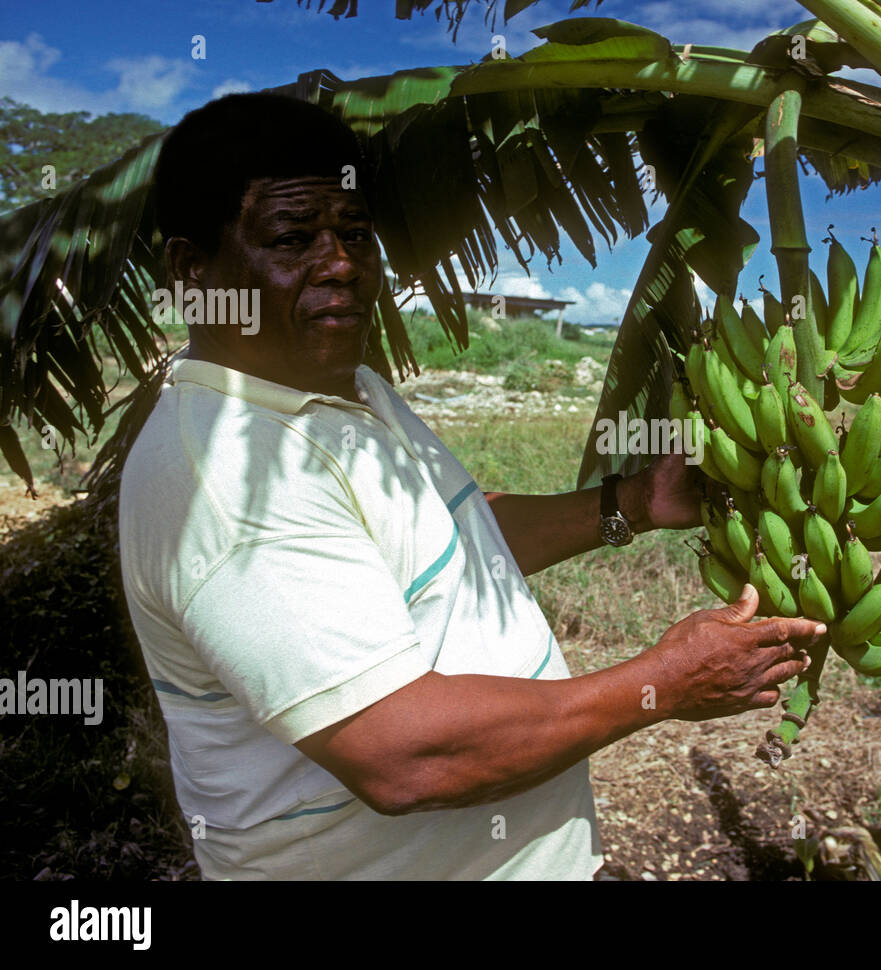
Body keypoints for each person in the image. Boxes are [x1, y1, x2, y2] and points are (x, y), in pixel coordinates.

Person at [117, 92, 826, 880]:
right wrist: (667, 681)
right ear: (192, 270)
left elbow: (449, 545)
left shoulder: (339, 390)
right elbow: (404, 754)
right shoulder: (228, 475)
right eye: (294, 239)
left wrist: (628, 505)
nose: (343, 264)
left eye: (355, 234)